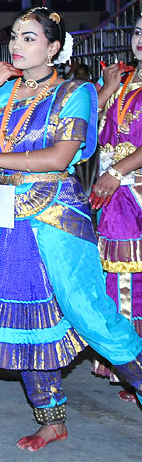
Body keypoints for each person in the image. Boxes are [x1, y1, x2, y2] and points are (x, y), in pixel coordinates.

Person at [0, 6, 142, 450]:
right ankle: (51, 418)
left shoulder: (75, 92)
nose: (16, 46)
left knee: (86, 309)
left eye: (29, 38)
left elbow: (59, 158)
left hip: (56, 212)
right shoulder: (1, 92)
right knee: (24, 312)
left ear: (54, 47)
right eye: (14, 37)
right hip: (5, 212)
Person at [91, 24, 142, 395]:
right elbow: (83, 126)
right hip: (113, 193)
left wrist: (116, 171)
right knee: (114, 273)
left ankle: (133, 362)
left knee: (131, 278)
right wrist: (107, 88)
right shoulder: (123, 79)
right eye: (139, 31)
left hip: (133, 190)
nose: (140, 39)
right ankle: (129, 362)